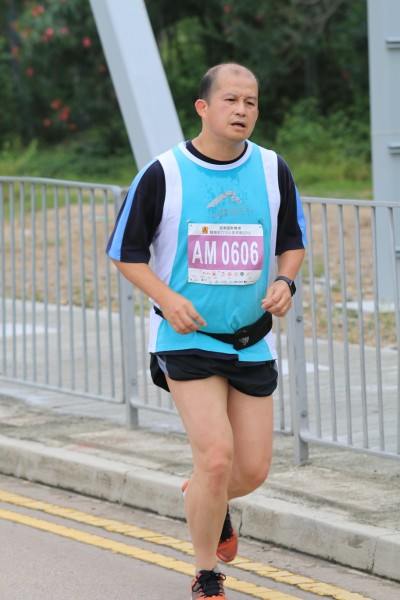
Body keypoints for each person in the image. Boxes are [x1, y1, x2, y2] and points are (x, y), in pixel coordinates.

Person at [106, 63, 306, 600]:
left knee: (251, 469)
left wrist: (285, 280)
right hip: (186, 338)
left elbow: (292, 241)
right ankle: (207, 573)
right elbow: (124, 251)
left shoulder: (272, 169)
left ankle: (205, 497)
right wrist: (168, 299)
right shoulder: (164, 173)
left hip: (250, 338)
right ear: (203, 107)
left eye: (251, 102)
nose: (242, 110)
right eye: (231, 100)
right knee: (216, 457)